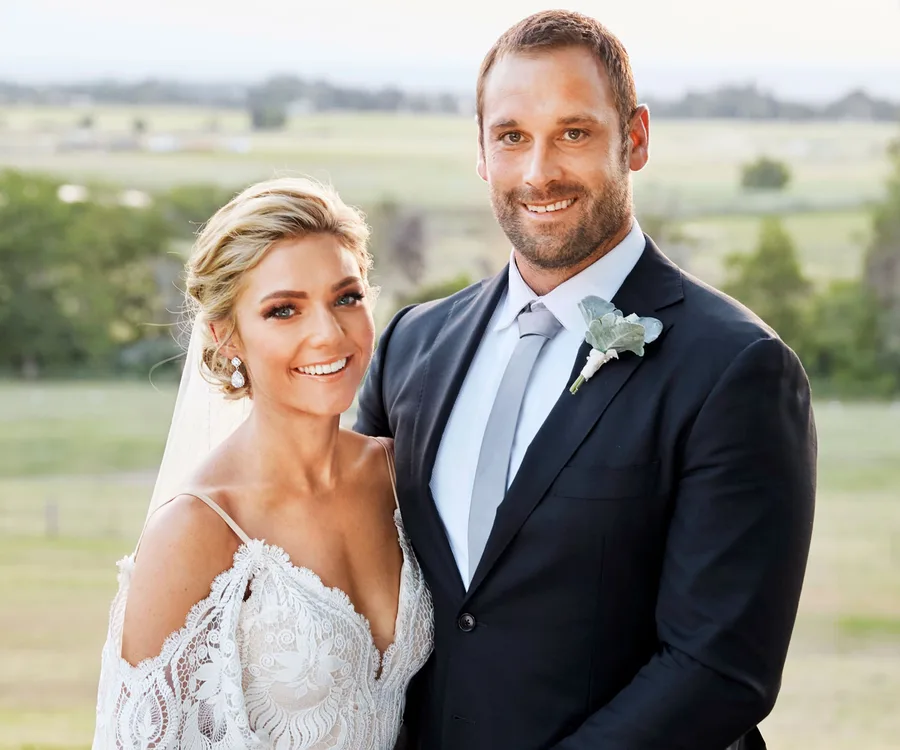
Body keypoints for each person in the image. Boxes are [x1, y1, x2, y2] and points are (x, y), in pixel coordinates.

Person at [355, 10, 816, 750]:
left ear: (634, 138)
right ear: (480, 151)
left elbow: (720, 667)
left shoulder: (737, 369)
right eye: (511, 137)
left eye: (574, 132)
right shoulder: (413, 344)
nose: (539, 172)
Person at [92, 177, 434, 749]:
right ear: (227, 337)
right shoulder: (197, 529)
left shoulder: (398, 474)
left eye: (345, 298)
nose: (328, 334)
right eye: (283, 311)